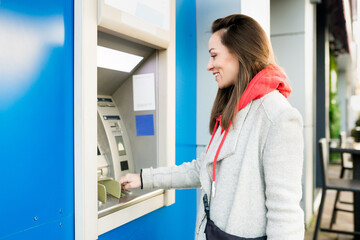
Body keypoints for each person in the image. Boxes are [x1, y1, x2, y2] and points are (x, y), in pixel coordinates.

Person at [119, 14, 304, 240]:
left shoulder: (278, 117)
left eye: (214, 55)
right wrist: (144, 179)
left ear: (240, 53)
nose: (209, 66)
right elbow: (202, 170)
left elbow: (285, 215)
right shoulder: (236, 108)